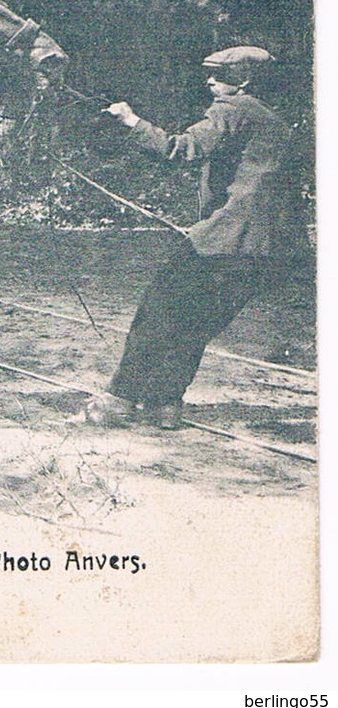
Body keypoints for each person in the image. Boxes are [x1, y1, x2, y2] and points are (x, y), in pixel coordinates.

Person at [86, 45, 297, 429]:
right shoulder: (276, 122)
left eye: (220, 76)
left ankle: (120, 399)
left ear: (244, 82)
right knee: (194, 323)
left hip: (225, 241)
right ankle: (164, 405)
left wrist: (130, 120)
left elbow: (179, 149)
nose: (210, 81)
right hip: (266, 249)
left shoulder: (232, 109)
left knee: (158, 311)